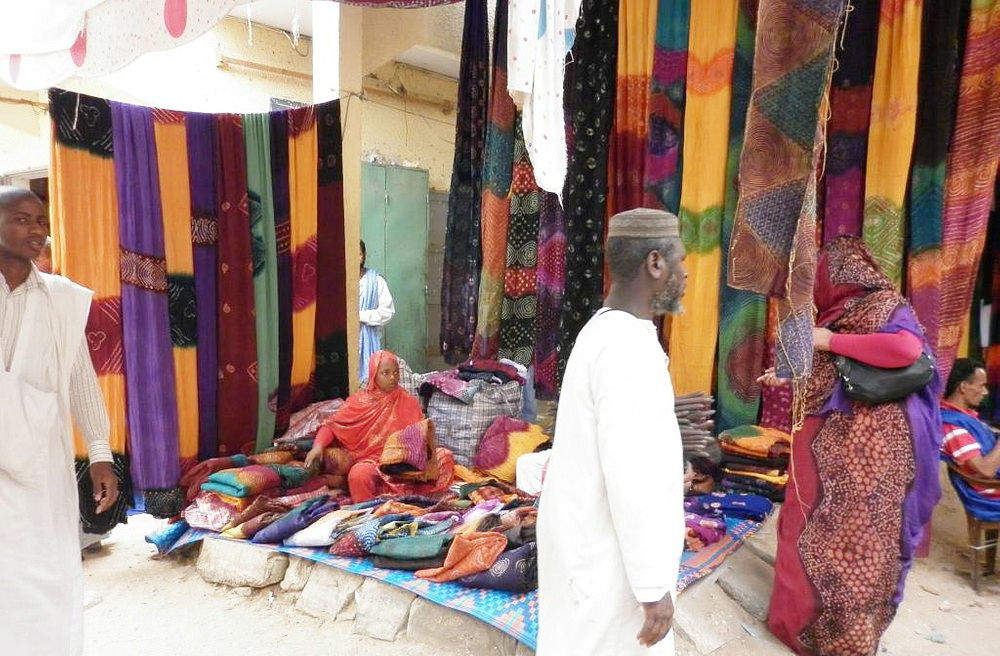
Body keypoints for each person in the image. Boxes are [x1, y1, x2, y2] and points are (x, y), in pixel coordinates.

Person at [759, 236, 942, 656]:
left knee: (854, 544)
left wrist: (827, 340)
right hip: (830, 446)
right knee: (807, 529)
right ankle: (797, 625)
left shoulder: (882, 305)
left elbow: (904, 348)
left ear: (838, 275)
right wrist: (785, 375)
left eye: (820, 275)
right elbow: (836, 371)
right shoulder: (837, 313)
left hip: (867, 455)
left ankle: (843, 640)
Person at [536, 208, 687, 655]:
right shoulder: (626, 350)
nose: (684, 271)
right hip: (609, 559)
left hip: (589, 542)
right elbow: (631, 479)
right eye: (679, 259)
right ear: (655, 263)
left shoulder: (605, 333)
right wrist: (653, 586)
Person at [0, 186, 119, 654]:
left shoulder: (61, 299)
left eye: (41, 219)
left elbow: (80, 376)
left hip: (39, 456)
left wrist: (100, 454)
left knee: (43, 561)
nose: (36, 229)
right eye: (22, 219)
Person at [304, 350, 453, 502]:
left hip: (405, 463)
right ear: (374, 374)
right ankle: (368, 514)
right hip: (373, 461)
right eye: (386, 373)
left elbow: (420, 437)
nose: (393, 377)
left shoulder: (409, 401)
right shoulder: (358, 402)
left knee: (445, 457)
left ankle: (423, 500)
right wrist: (318, 447)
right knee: (357, 475)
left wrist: (415, 457)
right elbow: (332, 425)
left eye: (396, 372)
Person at [941, 359, 1000, 517]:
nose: (986, 392)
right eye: (981, 385)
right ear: (963, 386)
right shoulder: (953, 427)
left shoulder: (961, 417)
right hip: (991, 496)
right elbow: (986, 471)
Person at [359, 240, 395, 383]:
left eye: (359, 254)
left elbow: (388, 312)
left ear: (364, 256)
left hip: (369, 340)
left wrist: (360, 316)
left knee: (369, 382)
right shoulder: (337, 279)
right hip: (344, 341)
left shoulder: (375, 280)